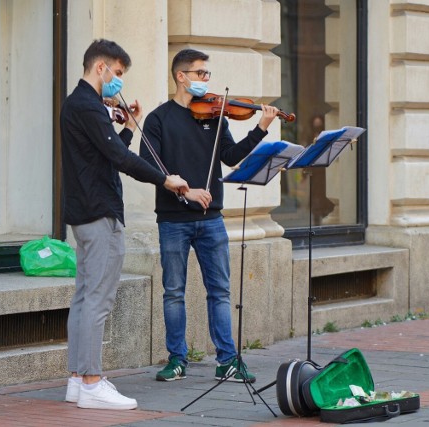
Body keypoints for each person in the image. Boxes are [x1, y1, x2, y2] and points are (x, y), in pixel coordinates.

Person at [60, 39, 189, 410]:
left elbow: (109, 153)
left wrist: (128, 126)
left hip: (86, 211)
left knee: (85, 297)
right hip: (98, 212)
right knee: (98, 299)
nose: (119, 82)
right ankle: (91, 381)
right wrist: (165, 180)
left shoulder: (81, 105)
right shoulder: (87, 105)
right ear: (100, 68)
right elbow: (119, 157)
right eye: (117, 73)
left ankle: (77, 379)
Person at [140, 48, 279, 383]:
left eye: (207, 75)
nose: (205, 80)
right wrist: (183, 189)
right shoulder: (158, 119)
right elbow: (148, 166)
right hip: (173, 219)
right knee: (174, 291)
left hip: (211, 219)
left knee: (220, 291)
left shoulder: (215, 117)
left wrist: (260, 128)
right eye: (200, 74)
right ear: (181, 76)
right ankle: (177, 360)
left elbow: (231, 157)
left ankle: (227, 360)